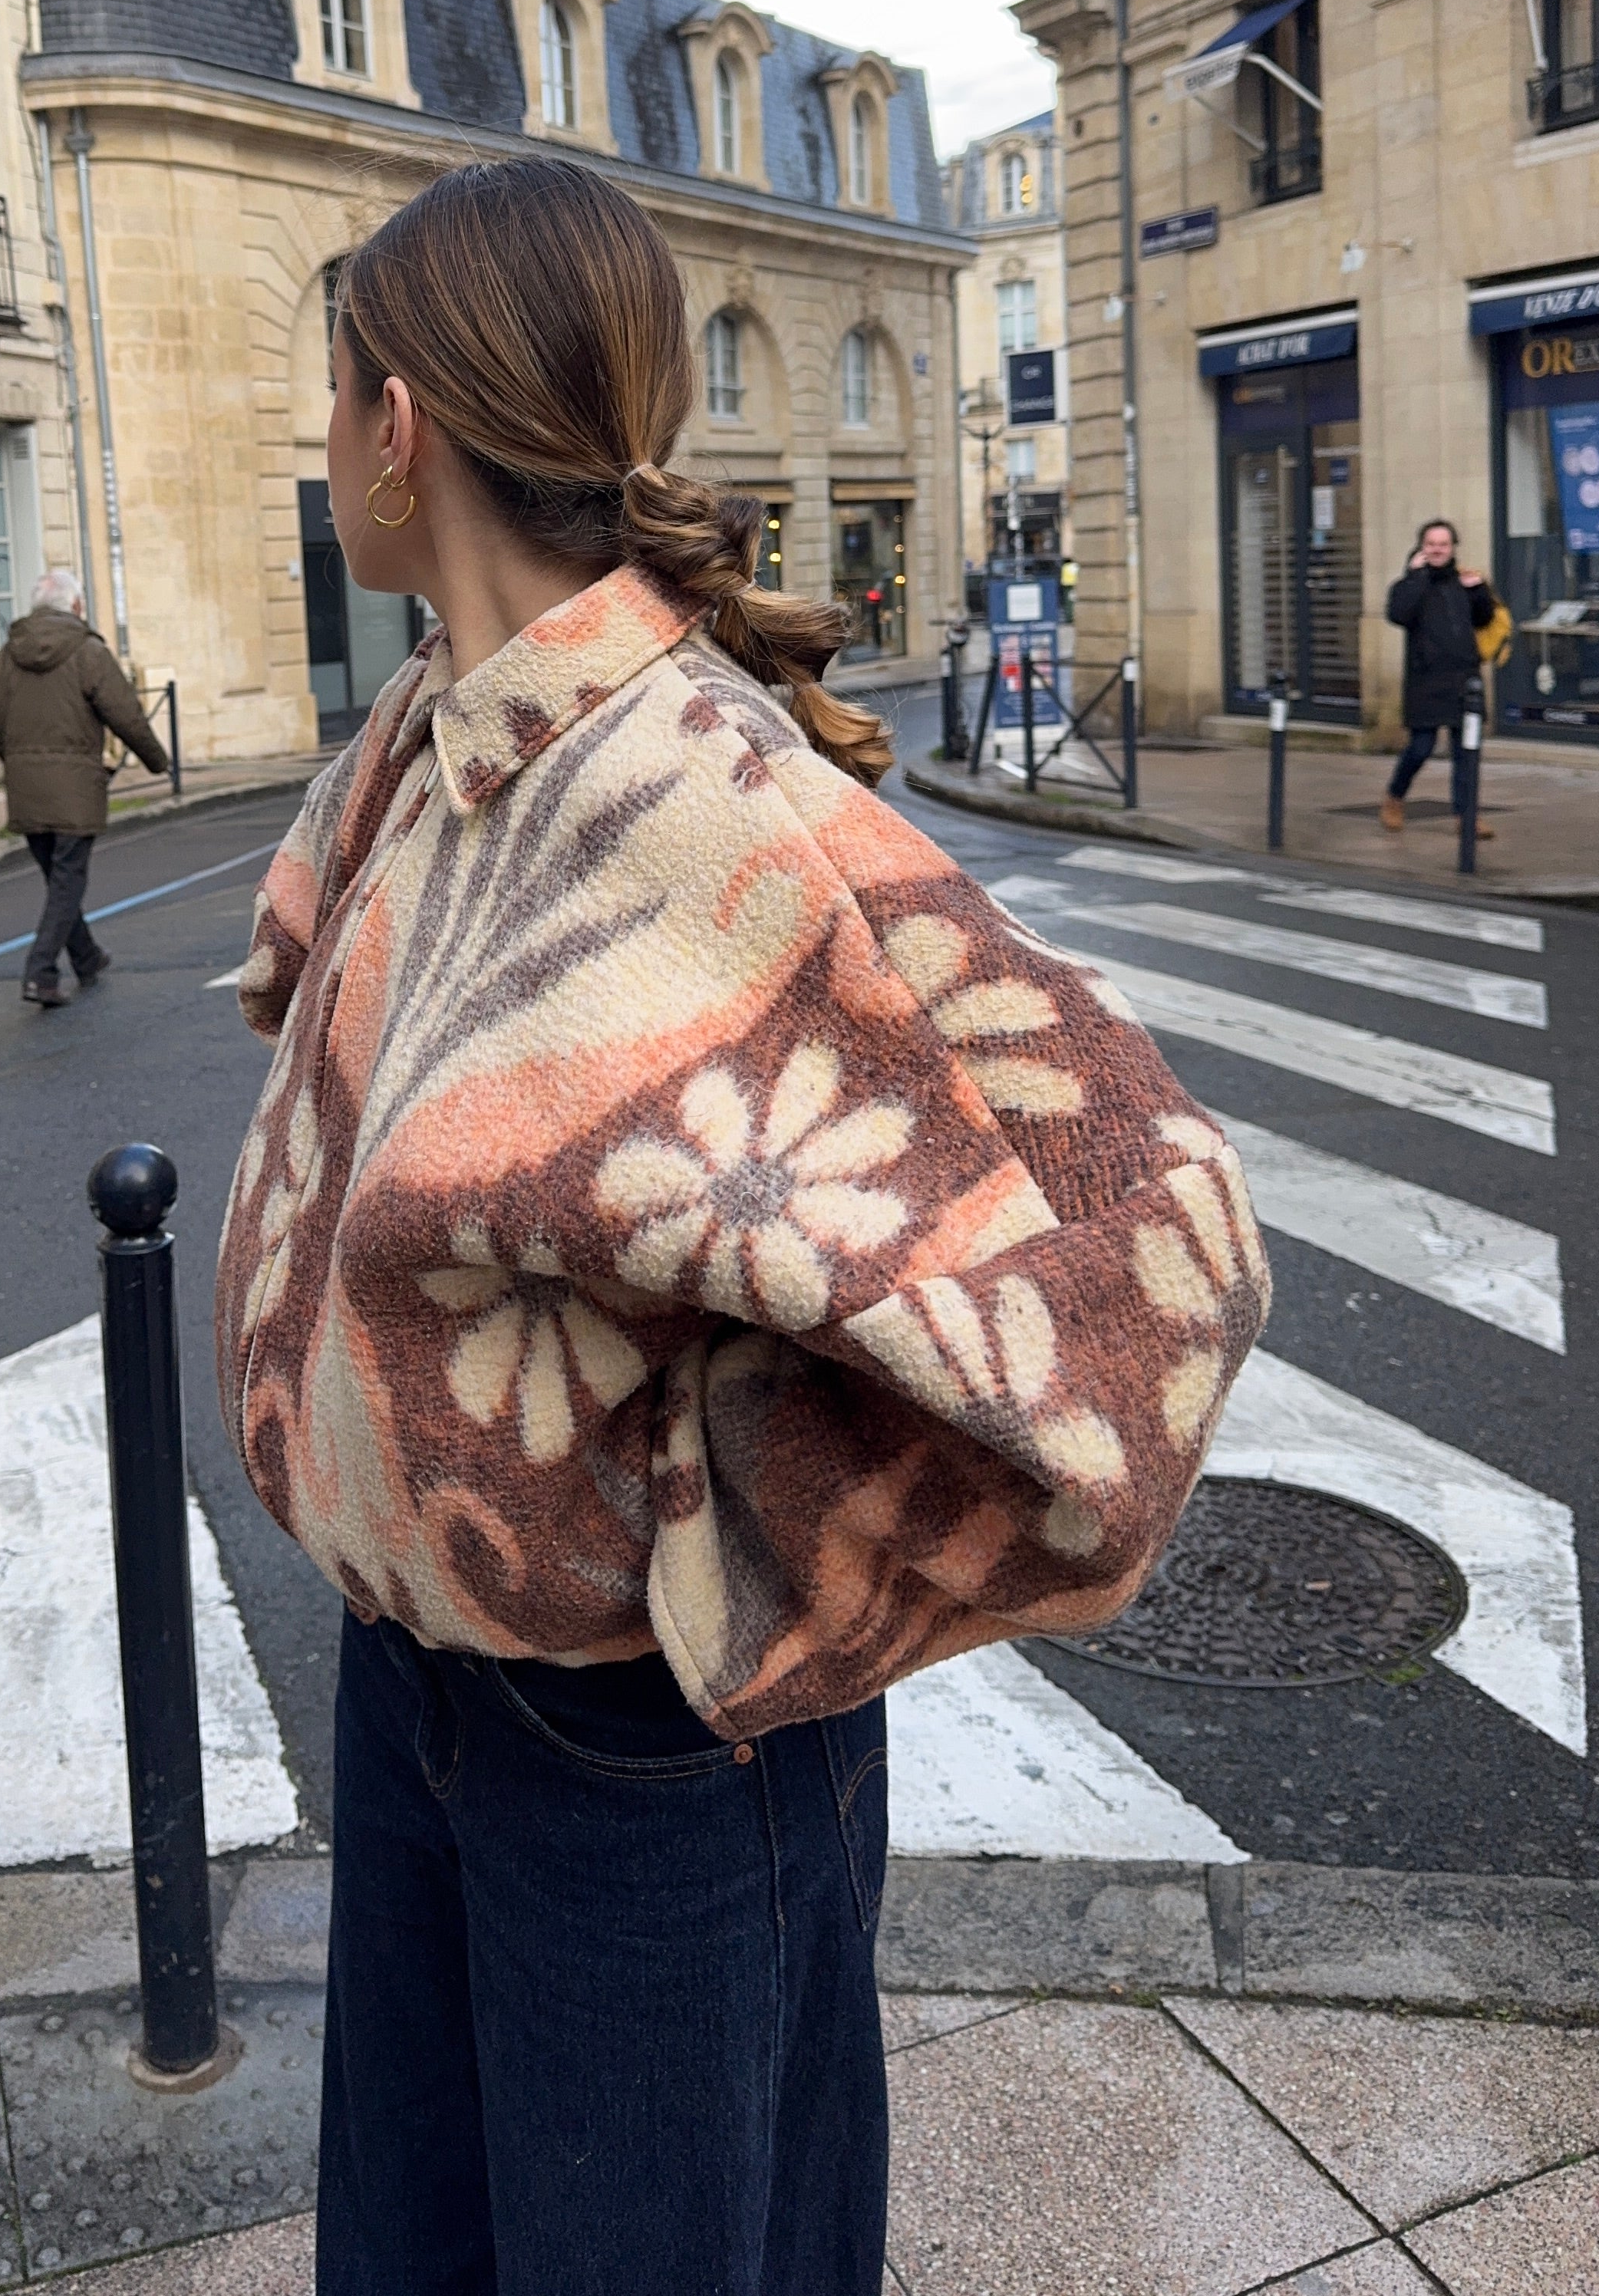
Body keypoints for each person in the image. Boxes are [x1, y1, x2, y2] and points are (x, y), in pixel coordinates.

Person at [216, 160, 1268, 2296]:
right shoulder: (435, 746)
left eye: (332, 397)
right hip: (413, 1688)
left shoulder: (700, 794)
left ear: (398, 420)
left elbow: (1158, 1244)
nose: (322, 443)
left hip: (638, 1754)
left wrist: (725, 1569)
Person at [0, 568, 168, 1005]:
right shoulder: (88, 653)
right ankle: (40, 971)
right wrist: (157, 761)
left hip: (25, 786)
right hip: (76, 785)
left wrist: (18, 760)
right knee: (68, 881)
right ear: (77, 606)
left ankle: (86, 957)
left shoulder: (6, 657)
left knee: (58, 879)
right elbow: (125, 713)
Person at [1381, 520, 1498, 836]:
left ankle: (1466, 816)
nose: (1437, 549)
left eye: (1443, 544)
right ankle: (1395, 796)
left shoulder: (1462, 583)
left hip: (1464, 680)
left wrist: (1480, 592)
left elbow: (1484, 618)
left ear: (1452, 548)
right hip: (1426, 682)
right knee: (1420, 748)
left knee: (1466, 753)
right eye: (1431, 544)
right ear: (1422, 548)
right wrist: (1417, 576)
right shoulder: (1408, 585)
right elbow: (1398, 614)